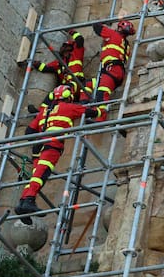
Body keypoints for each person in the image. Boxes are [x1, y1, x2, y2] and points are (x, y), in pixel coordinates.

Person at [14, 80, 102, 222]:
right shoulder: (69, 107)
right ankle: (29, 200)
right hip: (53, 144)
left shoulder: (44, 111)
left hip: (39, 145)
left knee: (36, 174)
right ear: (68, 97)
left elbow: (29, 131)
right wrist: (100, 106)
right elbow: (92, 112)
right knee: (42, 173)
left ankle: (23, 202)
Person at [18, 30, 86, 156]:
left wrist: (73, 31)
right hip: (65, 89)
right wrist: (34, 63)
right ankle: (41, 112)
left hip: (76, 84)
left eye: (67, 47)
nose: (64, 49)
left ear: (71, 49)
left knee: (63, 89)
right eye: (63, 47)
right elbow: (45, 68)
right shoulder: (59, 63)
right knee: (52, 95)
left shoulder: (77, 54)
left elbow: (80, 39)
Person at [91, 19, 135, 106]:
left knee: (102, 94)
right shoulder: (126, 45)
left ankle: (100, 119)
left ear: (120, 29)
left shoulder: (112, 34)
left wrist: (105, 22)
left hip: (112, 68)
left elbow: (96, 26)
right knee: (91, 85)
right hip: (118, 72)